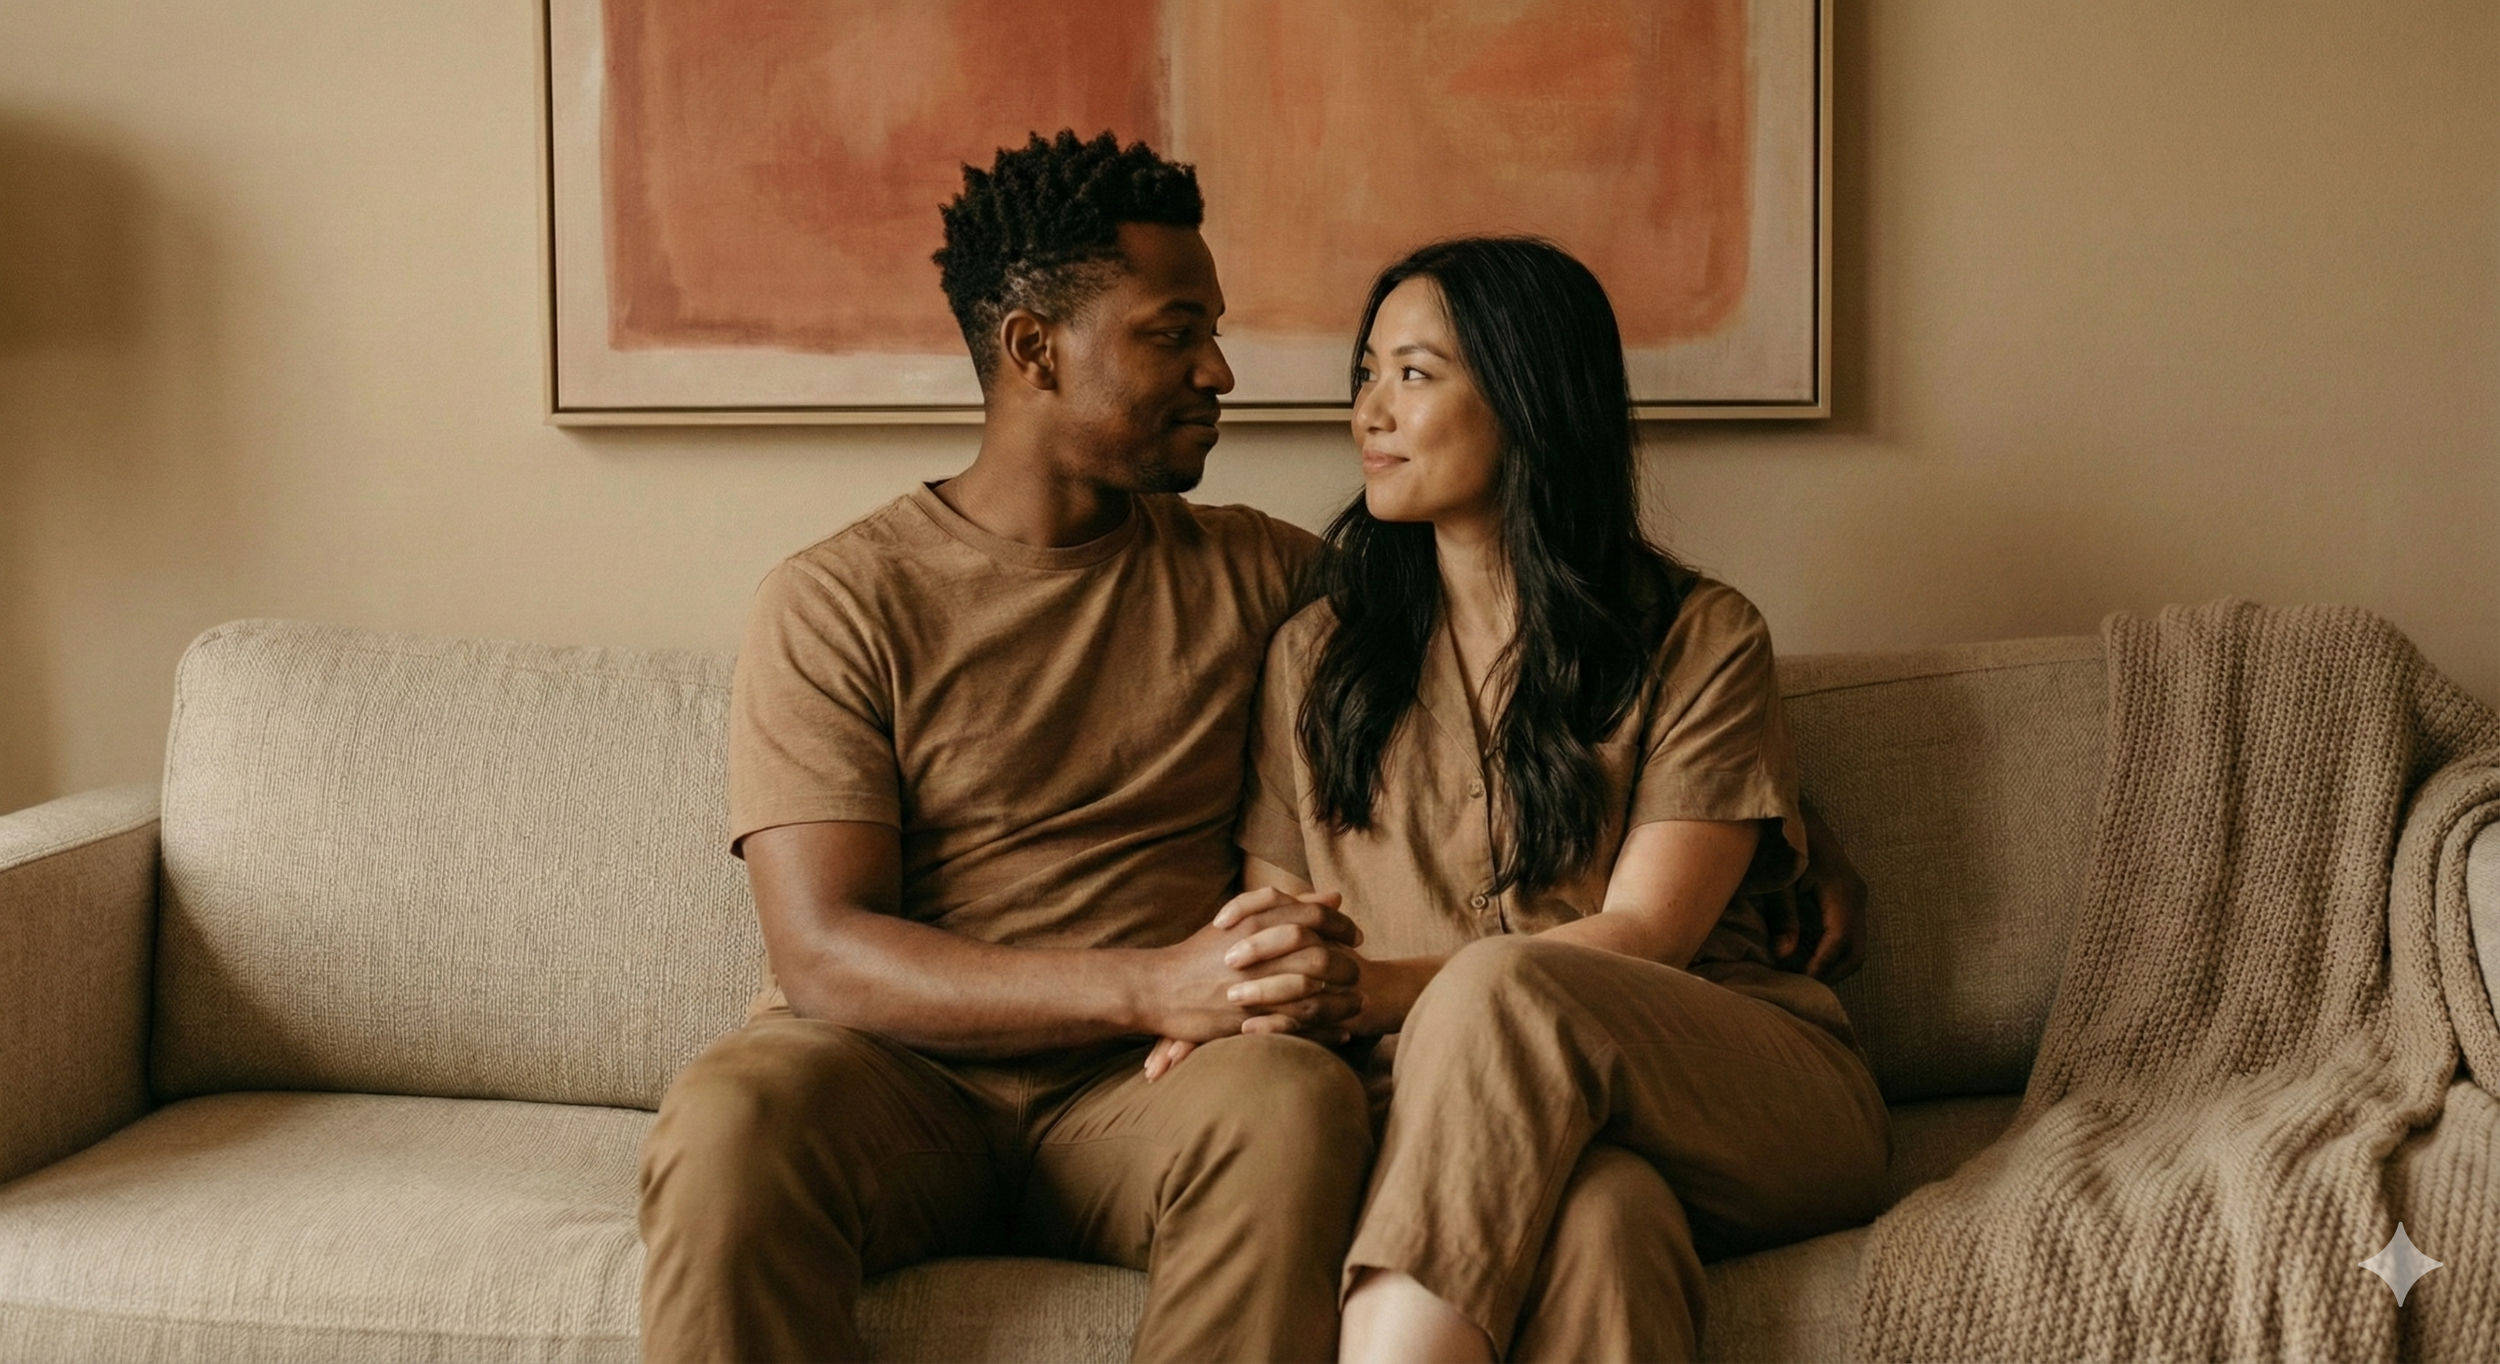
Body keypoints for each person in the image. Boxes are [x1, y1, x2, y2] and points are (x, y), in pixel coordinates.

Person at [634, 131, 1377, 1364]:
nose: (1221, 370)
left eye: (1213, 330)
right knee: (728, 1115)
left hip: (1145, 1091)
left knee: (1293, 1098)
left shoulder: (1263, 570)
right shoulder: (841, 597)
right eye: (1174, 331)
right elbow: (823, 951)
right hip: (895, 1084)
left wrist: (1777, 825)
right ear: (1034, 346)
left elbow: (1526, 652)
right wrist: (1152, 977)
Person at [1155, 237, 1892, 1363]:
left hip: (1740, 1092)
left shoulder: (1701, 636)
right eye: (1364, 373)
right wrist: (1252, 1000)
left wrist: (1374, 987)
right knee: (1605, 1218)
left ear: (1529, 394)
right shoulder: (1318, 657)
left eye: (1412, 372)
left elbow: (1644, 936)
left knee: (1508, 984)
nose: (1368, 411)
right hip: (1453, 1124)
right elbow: (1281, 923)